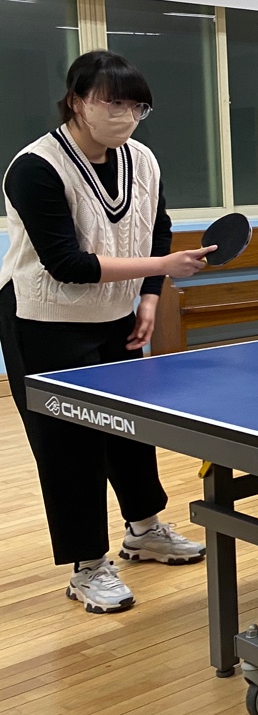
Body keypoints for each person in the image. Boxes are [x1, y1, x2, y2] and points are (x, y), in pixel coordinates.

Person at [0, 51, 211, 614]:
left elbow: (157, 229)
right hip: (44, 321)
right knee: (68, 446)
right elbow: (66, 263)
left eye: (137, 106)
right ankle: (87, 565)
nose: (125, 115)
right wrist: (161, 269)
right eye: (112, 102)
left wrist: (149, 298)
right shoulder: (34, 168)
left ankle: (144, 530)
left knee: (128, 429)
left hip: (116, 313)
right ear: (76, 101)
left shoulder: (142, 158)